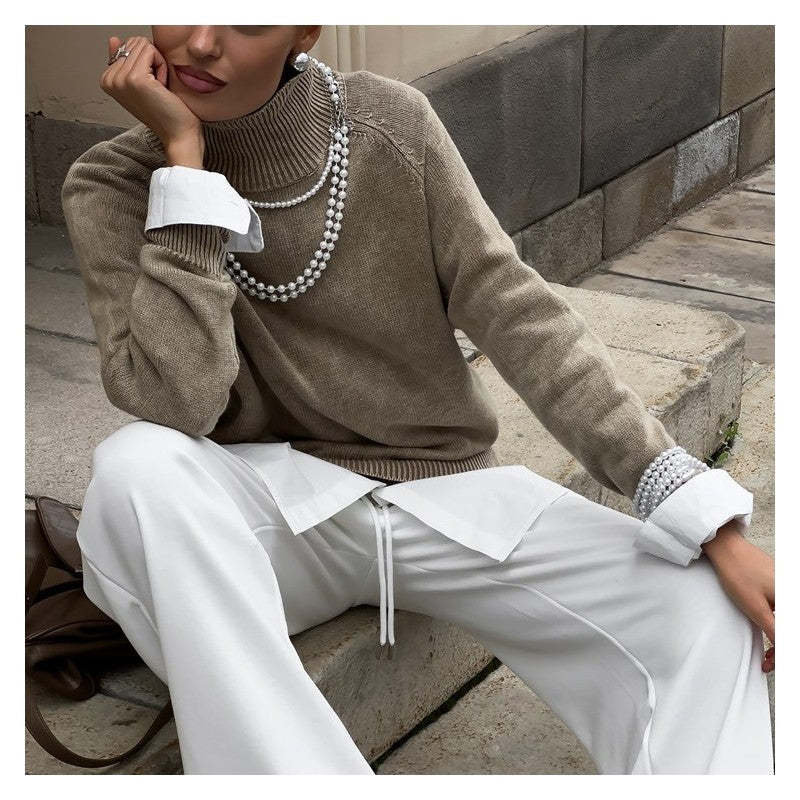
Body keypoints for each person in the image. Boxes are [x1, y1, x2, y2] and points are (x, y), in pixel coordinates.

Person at [60, 25, 775, 775]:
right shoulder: (113, 183)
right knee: (137, 468)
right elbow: (176, 403)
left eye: (249, 19)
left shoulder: (388, 126)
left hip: (437, 493)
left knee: (705, 613)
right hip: (266, 521)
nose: (203, 41)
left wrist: (704, 521)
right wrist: (185, 168)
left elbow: (520, 316)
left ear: (306, 29)